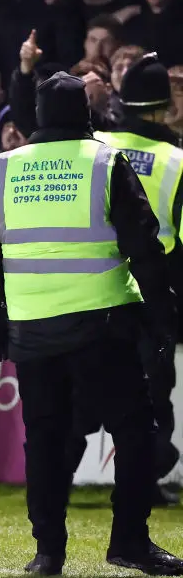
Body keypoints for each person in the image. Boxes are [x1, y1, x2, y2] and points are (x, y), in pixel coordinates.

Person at [0, 71, 183, 577]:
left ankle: (48, 551)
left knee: (45, 439)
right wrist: (162, 318)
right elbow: (143, 246)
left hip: (32, 331)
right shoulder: (104, 162)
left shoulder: (5, 168)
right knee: (135, 432)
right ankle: (130, 541)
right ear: (85, 113)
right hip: (102, 326)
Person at [92, 53, 183, 505]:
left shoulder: (96, 143)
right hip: (150, 293)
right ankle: (146, 478)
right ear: (164, 108)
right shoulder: (177, 160)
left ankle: (53, 478)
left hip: (92, 288)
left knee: (83, 390)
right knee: (151, 393)